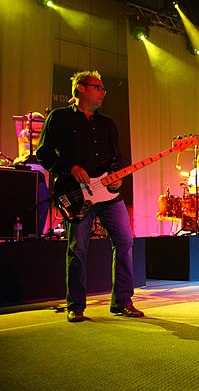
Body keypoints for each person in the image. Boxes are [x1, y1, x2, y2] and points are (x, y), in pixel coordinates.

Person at [37, 70, 144, 322]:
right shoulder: (59, 118)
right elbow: (44, 154)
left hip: (108, 195)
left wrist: (117, 177)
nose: (103, 92)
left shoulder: (107, 123)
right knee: (78, 248)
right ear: (81, 89)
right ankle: (75, 305)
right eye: (98, 87)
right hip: (75, 195)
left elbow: (115, 159)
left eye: (104, 88)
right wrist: (70, 167)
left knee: (125, 241)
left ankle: (122, 301)